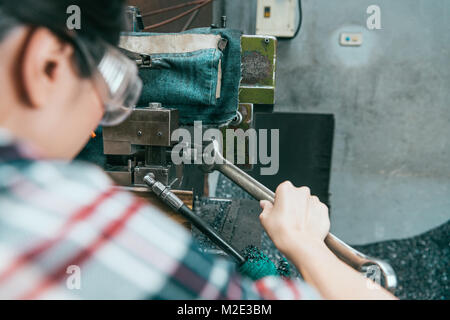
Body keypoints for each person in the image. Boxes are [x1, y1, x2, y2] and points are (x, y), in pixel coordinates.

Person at [0, 0, 396, 300]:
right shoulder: (70, 217)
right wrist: (306, 245)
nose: (100, 116)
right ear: (48, 64)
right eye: (105, 85)